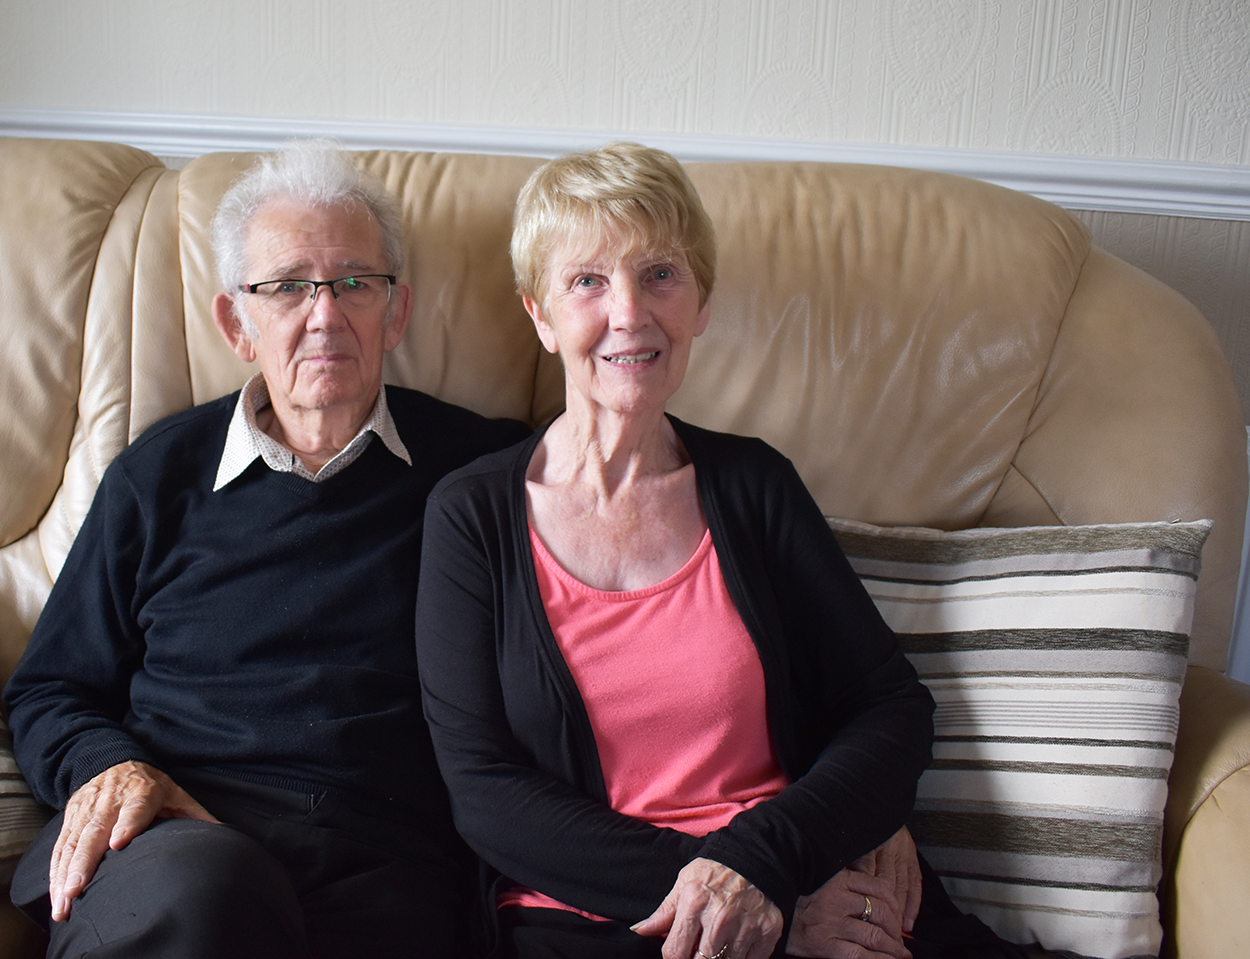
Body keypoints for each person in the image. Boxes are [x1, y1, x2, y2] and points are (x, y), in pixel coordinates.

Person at [415, 143, 1024, 959]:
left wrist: (774, 861)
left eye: (660, 274)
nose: (629, 312)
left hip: (807, 882)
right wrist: (748, 902)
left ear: (699, 301)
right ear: (539, 314)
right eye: (587, 280)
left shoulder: (753, 484)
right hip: (605, 919)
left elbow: (889, 706)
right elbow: (484, 792)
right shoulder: (472, 517)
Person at [4, 141, 529, 959]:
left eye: (355, 282)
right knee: (208, 897)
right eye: (287, 287)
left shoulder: (481, 475)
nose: (325, 314)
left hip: (381, 860)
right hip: (174, 848)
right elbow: (48, 688)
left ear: (397, 312)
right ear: (236, 322)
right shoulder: (158, 475)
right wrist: (115, 766)